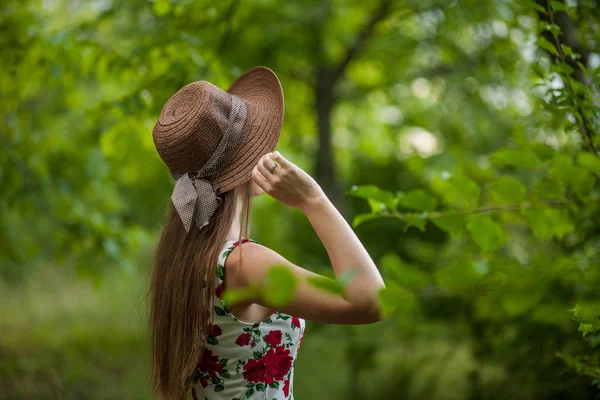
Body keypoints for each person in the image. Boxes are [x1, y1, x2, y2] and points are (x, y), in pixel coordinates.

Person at [147, 66, 387, 400]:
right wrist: (313, 200)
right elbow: (371, 301)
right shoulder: (245, 264)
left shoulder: (184, 256)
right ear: (246, 159)